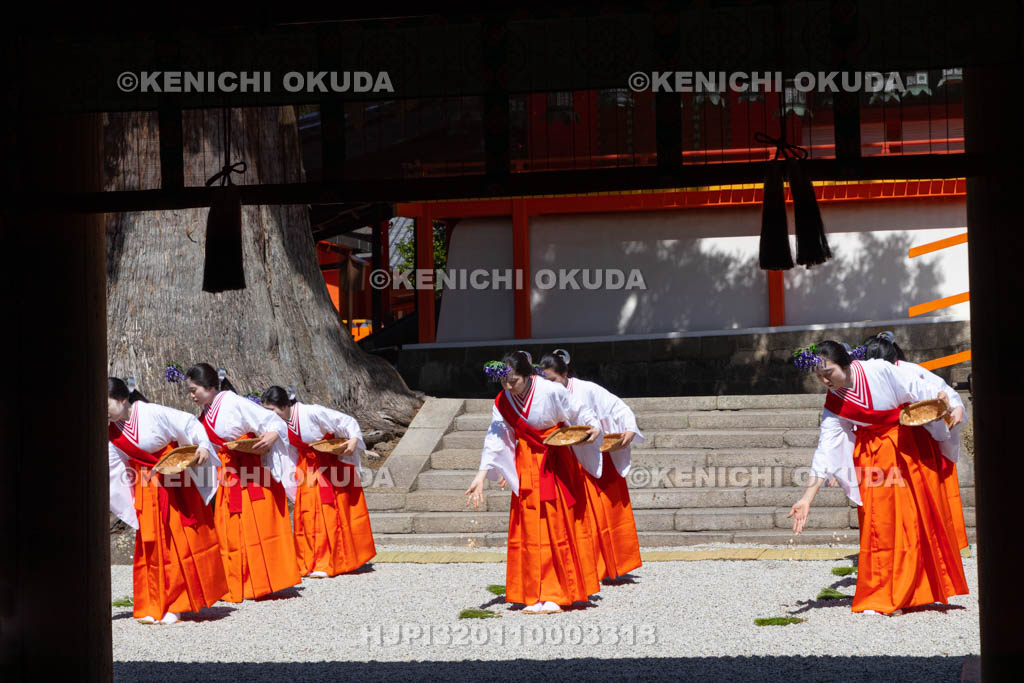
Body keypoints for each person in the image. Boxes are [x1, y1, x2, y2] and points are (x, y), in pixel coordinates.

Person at [787, 342, 969, 615]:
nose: (825, 381)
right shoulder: (834, 401)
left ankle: (912, 591)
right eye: (819, 376)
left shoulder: (880, 371)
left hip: (908, 448)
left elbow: (925, 385)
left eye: (829, 373)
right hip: (872, 457)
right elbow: (826, 449)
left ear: (846, 364)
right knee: (878, 525)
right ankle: (881, 594)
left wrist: (953, 405)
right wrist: (806, 498)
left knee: (914, 520)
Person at [464, 351, 604, 614]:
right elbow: (496, 438)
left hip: (555, 459)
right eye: (504, 381)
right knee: (528, 529)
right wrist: (481, 475)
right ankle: (533, 591)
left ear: (528, 375)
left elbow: (579, 411)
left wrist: (592, 427)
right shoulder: (503, 401)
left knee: (557, 525)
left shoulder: (551, 391)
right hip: (526, 463)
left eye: (514, 380)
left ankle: (558, 591)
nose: (508, 386)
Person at [107, 376, 228, 624]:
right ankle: (154, 603)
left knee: (178, 543)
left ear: (121, 399)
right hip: (145, 486)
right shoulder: (110, 430)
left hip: (173, 482)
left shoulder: (152, 413)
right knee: (152, 546)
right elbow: (113, 468)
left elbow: (187, 423)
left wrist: (203, 446)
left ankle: (178, 603)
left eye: (105, 405)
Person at [184, 363, 301, 601]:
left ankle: (262, 581)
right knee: (231, 530)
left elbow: (273, 421)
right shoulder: (206, 412)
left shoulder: (233, 402)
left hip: (252, 475)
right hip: (229, 475)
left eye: (194, 389)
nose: (191, 395)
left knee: (257, 528)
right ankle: (235, 580)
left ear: (209, 386)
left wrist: (271, 434)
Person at [538, 349, 643, 582]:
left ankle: (610, 565)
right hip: (563, 459)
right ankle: (584, 566)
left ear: (565, 373)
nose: (551, 386)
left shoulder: (587, 389)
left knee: (607, 513)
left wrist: (628, 427)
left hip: (594, 455)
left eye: (554, 380)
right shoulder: (544, 395)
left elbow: (616, 407)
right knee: (577, 516)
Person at [861, 331, 969, 550]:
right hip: (886, 445)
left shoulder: (909, 371)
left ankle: (931, 544)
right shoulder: (864, 378)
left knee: (924, 498)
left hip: (919, 441)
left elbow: (944, 394)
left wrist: (954, 407)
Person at [261, 385, 376, 578]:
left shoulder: (312, 412)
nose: (270, 414)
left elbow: (346, 421)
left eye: (272, 410)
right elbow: (289, 452)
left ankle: (329, 560)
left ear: (284, 405)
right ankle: (309, 559)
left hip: (329, 465)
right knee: (306, 515)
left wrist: (354, 439)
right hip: (306, 468)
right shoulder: (280, 424)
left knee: (329, 514)